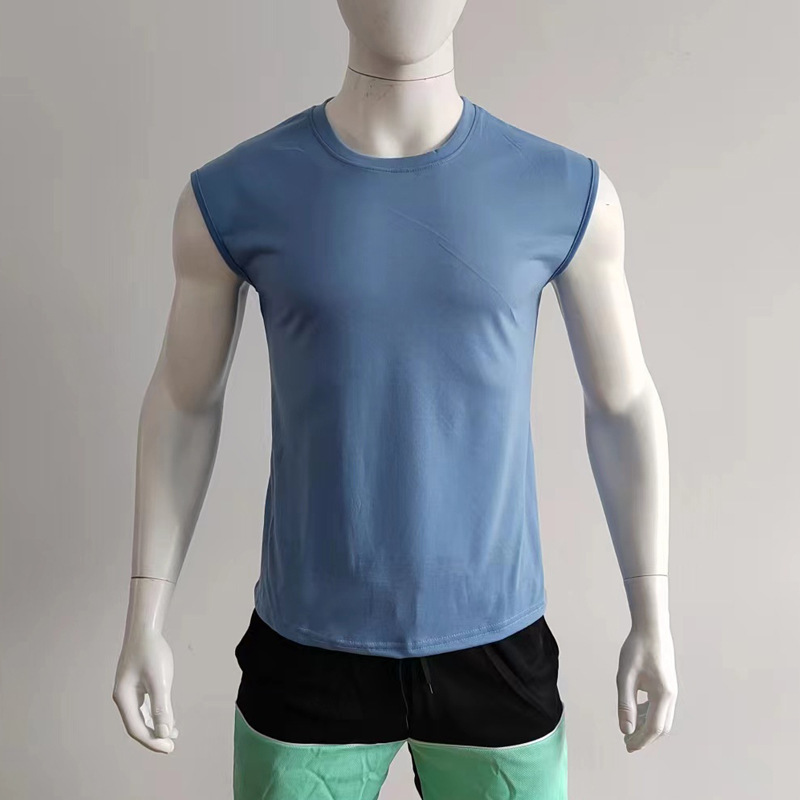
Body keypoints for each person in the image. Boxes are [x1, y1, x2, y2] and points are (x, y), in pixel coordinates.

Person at [113, 2, 677, 797]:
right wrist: (145, 615)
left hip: (496, 647)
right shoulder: (237, 193)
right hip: (307, 652)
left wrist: (651, 611)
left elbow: (622, 405)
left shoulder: (563, 191)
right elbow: (184, 402)